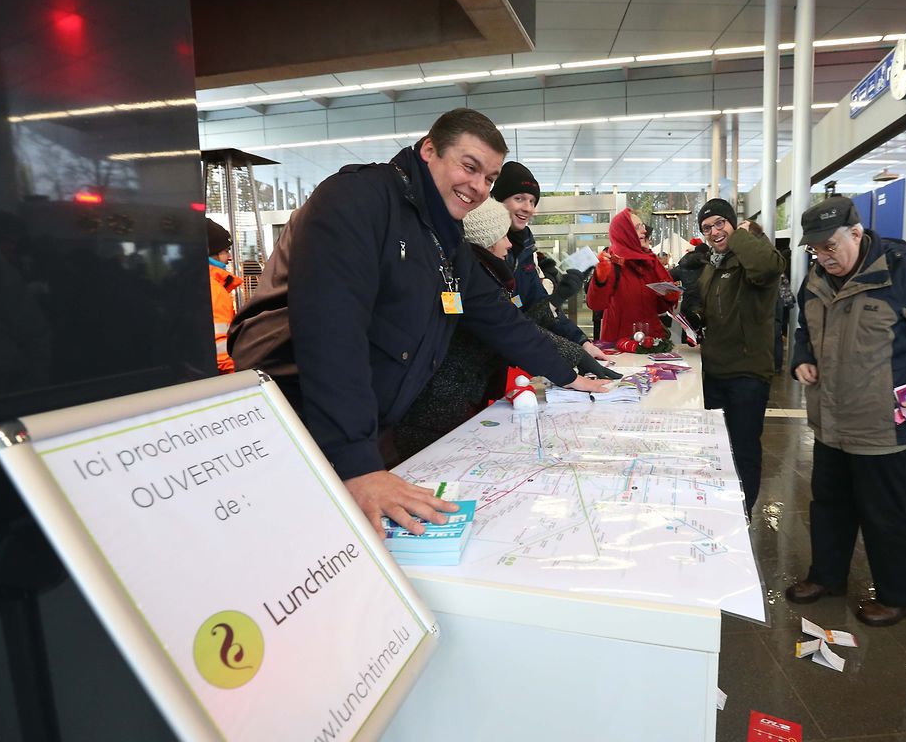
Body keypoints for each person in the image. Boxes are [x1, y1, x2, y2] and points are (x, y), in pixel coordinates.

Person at [228, 108, 608, 537]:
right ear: (429, 150)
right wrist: (357, 465)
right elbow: (332, 332)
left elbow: (498, 317)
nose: (478, 187)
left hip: (365, 427)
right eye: (469, 166)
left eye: (489, 178)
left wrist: (565, 373)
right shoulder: (357, 199)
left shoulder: (441, 233)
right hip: (297, 421)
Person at [785, 196, 906, 627]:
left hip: (884, 429)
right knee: (829, 506)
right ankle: (827, 576)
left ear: (856, 233)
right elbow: (804, 330)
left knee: (887, 515)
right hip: (830, 422)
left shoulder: (902, 274)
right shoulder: (815, 278)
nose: (822, 256)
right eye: (814, 249)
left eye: (830, 246)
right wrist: (801, 357)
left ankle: (898, 596)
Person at [392, 201, 619, 462]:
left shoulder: (486, 272)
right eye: (503, 235)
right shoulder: (471, 278)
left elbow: (519, 322)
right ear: (486, 239)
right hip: (435, 412)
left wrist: (577, 349)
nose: (509, 243)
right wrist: (573, 370)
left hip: (455, 402)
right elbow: (511, 330)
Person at [694, 199, 785, 512]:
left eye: (720, 223)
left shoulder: (751, 255)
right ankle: (722, 510)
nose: (715, 231)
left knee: (744, 449)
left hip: (747, 374)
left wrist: (741, 235)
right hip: (715, 371)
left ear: (734, 222)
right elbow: (711, 309)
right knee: (719, 448)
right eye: (707, 228)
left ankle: (743, 514)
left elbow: (768, 267)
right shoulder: (714, 264)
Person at [494, 161, 608, 362]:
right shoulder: (485, 248)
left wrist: (582, 342)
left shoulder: (526, 247)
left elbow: (539, 307)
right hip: (492, 361)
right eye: (519, 198)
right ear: (497, 200)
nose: (527, 208)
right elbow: (506, 324)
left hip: (516, 359)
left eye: (532, 201)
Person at [586, 208, 678, 343]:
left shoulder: (651, 262)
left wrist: (670, 297)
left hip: (652, 343)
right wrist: (600, 278)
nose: (644, 230)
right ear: (625, 233)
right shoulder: (611, 262)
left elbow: (659, 308)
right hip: (619, 344)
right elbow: (595, 304)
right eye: (637, 227)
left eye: (642, 226)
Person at [206, 218, 242, 374]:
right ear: (211, 253)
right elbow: (221, 354)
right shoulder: (214, 291)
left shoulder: (193, 284)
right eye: (226, 251)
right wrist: (240, 376)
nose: (229, 257)